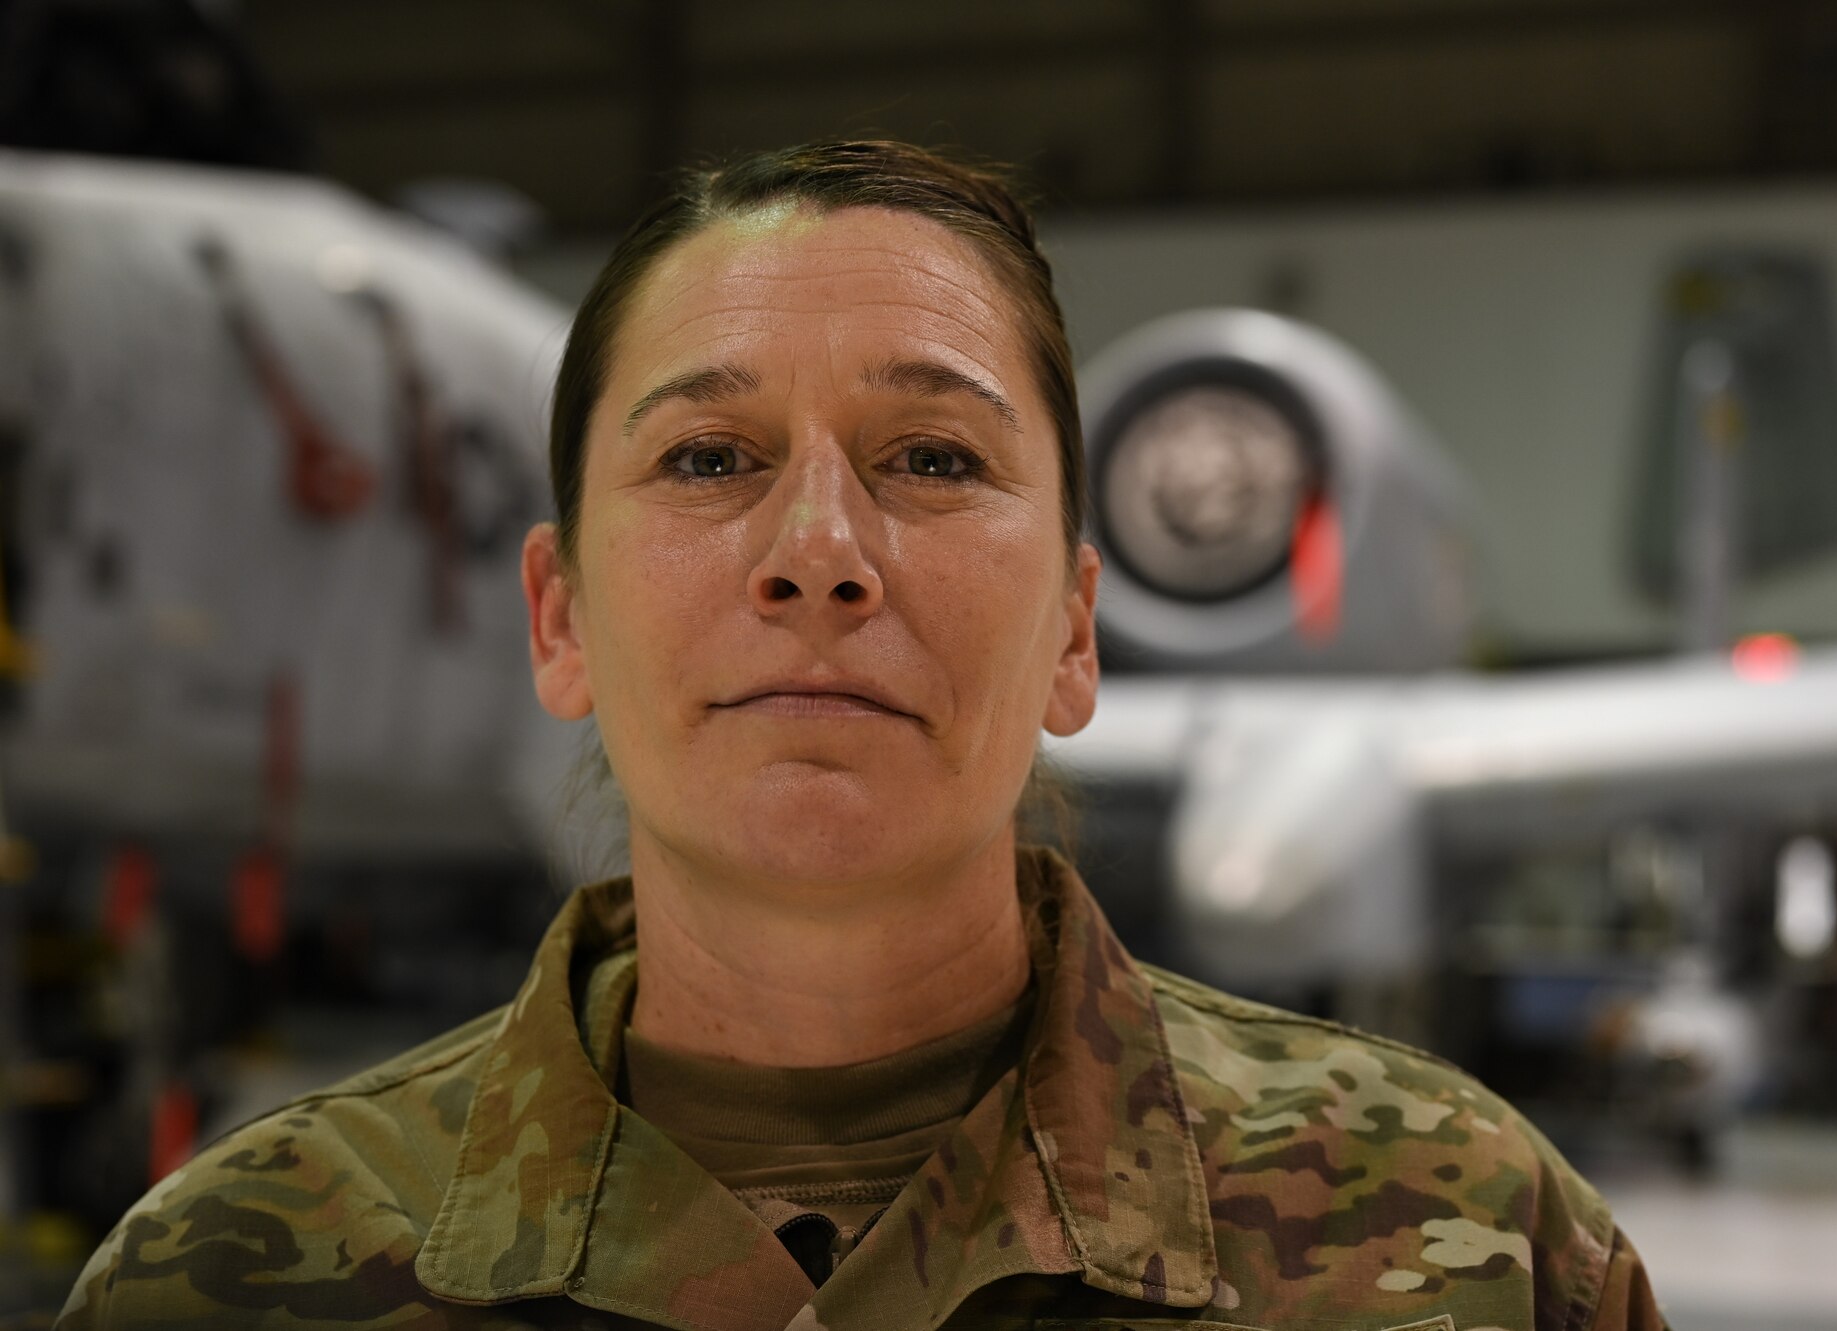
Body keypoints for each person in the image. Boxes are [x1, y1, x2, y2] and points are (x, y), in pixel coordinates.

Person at [59, 140, 1669, 1330]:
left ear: (1075, 628)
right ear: (558, 620)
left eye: (935, 458)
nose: (818, 545)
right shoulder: (214, 1276)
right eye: (705, 458)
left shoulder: (1481, 1237)